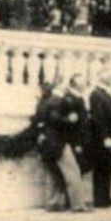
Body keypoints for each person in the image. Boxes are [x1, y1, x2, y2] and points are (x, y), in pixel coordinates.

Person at [37, 78, 91, 212]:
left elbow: (43, 120)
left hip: (49, 142)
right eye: (64, 84)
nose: (67, 87)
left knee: (54, 173)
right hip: (59, 142)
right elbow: (55, 119)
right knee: (73, 172)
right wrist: (70, 120)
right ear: (59, 86)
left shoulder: (46, 100)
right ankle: (78, 205)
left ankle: (53, 203)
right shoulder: (57, 100)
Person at [85, 72, 111, 209]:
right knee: (101, 168)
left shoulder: (106, 94)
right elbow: (98, 118)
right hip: (102, 138)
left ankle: (105, 197)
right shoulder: (96, 94)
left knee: (108, 167)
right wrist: (105, 136)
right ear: (101, 78)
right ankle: (100, 199)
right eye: (109, 76)